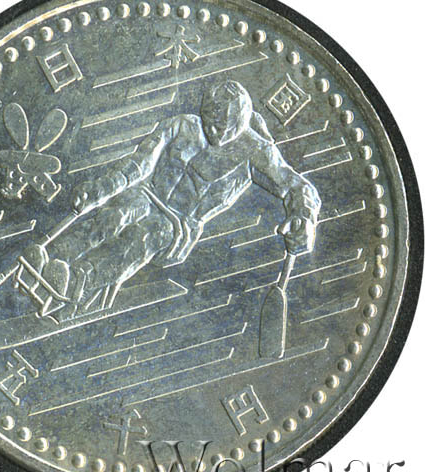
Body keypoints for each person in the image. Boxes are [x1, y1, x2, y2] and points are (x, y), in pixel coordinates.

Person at [19, 80, 321, 320]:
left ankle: (77, 283)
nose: (213, 131)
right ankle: (52, 258)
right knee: (116, 213)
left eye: (222, 127)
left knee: (143, 235)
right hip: (148, 194)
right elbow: (139, 164)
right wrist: (101, 189)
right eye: (209, 121)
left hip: (177, 225)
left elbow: (298, 187)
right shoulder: (182, 125)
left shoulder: (257, 151)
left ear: (239, 123)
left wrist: (304, 218)